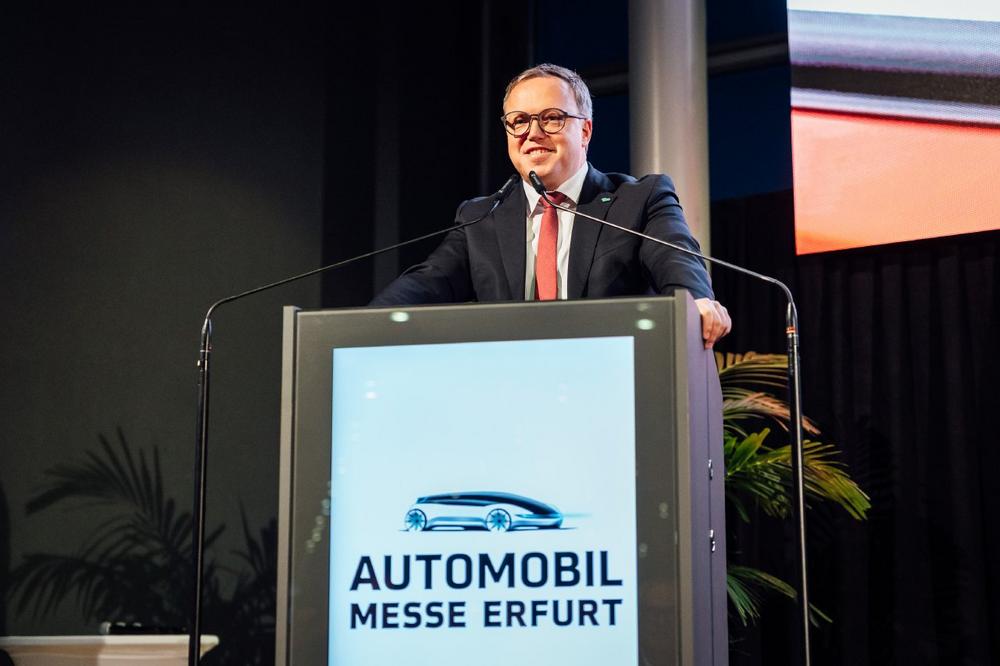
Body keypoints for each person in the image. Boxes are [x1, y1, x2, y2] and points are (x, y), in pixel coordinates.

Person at [371, 63, 731, 348]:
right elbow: (425, 284)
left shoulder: (639, 200)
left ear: (585, 131)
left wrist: (696, 303)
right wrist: (364, 325)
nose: (532, 133)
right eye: (519, 121)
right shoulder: (481, 218)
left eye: (551, 118)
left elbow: (677, 260)